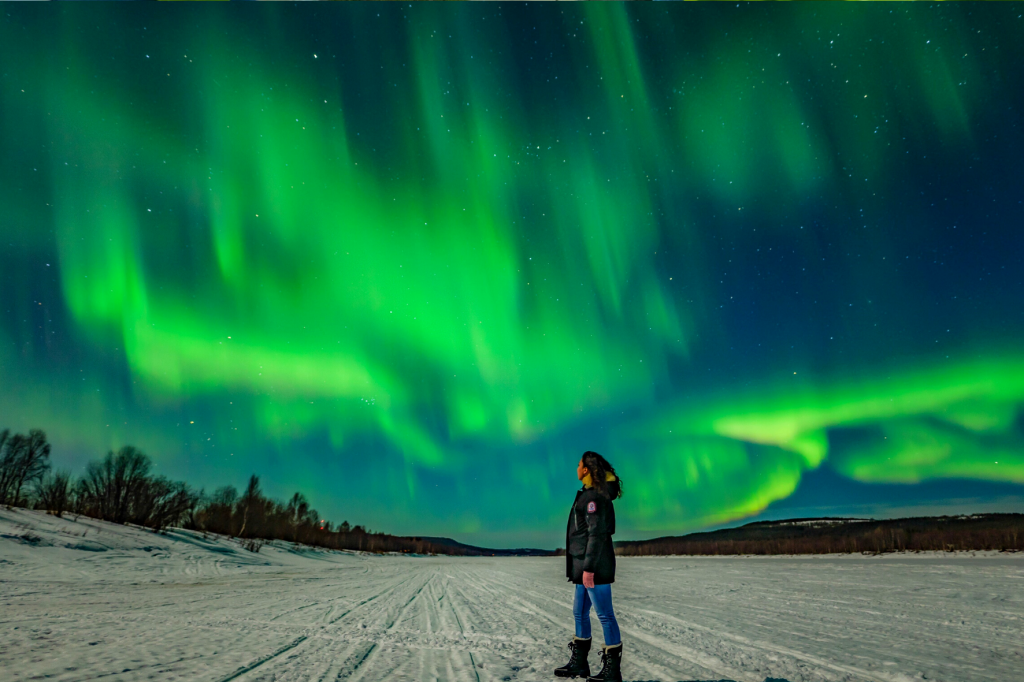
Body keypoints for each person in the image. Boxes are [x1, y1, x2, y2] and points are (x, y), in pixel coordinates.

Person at [554, 451, 623, 682]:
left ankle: (612, 672)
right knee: (579, 612)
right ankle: (580, 664)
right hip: (584, 565)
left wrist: (590, 568)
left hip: (594, 566)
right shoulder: (589, 494)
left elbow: (597, 534)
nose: (576, 468)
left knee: (605, 615)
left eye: (578, 464)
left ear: (586, 470)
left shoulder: (594, 498)